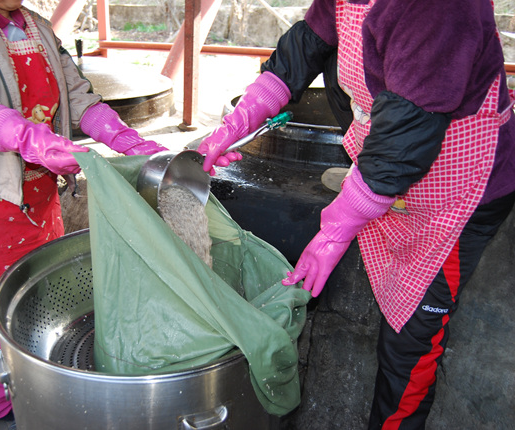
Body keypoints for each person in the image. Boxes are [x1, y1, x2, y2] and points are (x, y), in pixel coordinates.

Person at [196, 0, 515, 427]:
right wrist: (241, 120)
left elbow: (407, 134)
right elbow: (306, 46)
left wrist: (337, 228)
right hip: (390, 177)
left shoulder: (440, 8)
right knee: (400, 318)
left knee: (411, 342)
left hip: (457, 190)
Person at [0, 0, 166, 427]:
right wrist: (34, 140)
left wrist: (129, 142)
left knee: (37, 295)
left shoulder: (36, 26)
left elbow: (80, 98)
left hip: (39, 193)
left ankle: (36, 388)